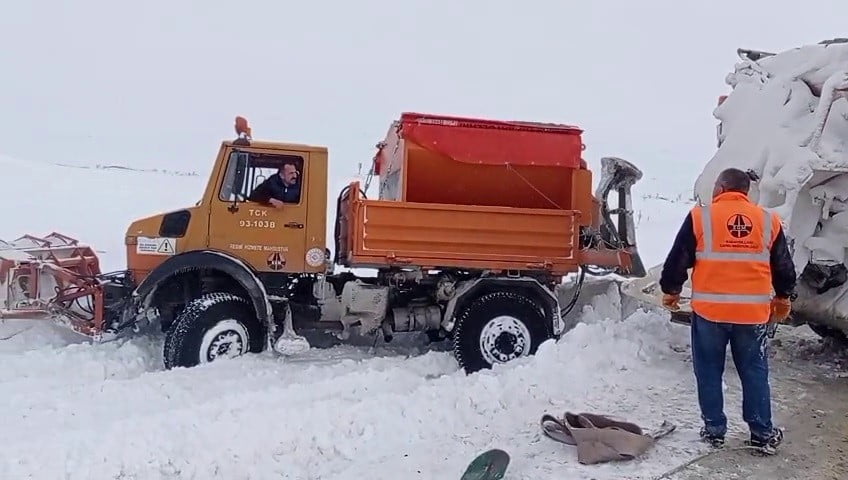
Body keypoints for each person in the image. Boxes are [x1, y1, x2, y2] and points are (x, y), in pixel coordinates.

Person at [659, 167, 796, 454]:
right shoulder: (768, 220)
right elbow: (783, 265)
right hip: (752, 315)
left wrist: (671, 291)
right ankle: (762, 433)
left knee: (709, 371)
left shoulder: (700, 217)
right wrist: (784, 297)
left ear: (721, 188)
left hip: (710, 313)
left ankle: (714, 431)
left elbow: (677, 259)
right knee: (754, 371)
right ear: (745, 191)